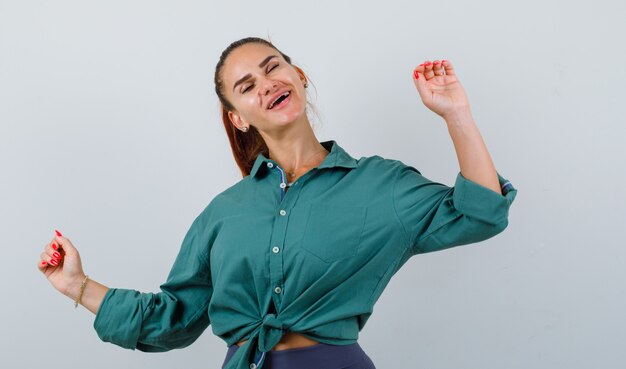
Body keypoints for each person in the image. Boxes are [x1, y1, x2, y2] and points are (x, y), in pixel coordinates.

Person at [38, 37, 517, 369]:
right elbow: (174, 319)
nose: (266, 84)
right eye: (246, 86)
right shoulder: (223, 213)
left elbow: (479, 213)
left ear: (299, 77)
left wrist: (456, 113)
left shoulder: (380, 184)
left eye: (273, 68)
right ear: (238, 118)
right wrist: (76, 285)